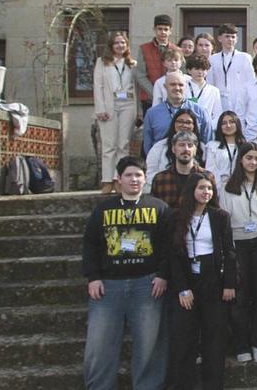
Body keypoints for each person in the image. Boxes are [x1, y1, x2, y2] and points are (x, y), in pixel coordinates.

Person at [82, 156, 171, 390]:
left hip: (148, 284)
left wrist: (162, 275)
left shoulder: (159, 208)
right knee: (99, 346)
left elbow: (168, 245)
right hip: (109, 286)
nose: (134, 180)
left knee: (149, 345)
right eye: (129, 175)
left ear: (145, 178)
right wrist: (93, 277)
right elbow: (90, 244)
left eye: (138, 175)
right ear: (119, 179)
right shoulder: (103, 209)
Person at [168, 171, 236, 390]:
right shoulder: (176, 217)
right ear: (191, 191)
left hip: (213, 280)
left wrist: (229, 283)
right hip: (187, 280)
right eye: (201, 188)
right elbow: (172, 256)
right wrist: (182, 288)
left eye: (209, 188)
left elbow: (229, 252)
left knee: (214, 340)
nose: (206, 192)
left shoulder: (220, 217)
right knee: (184, 339)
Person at [218, 142, 257, 364]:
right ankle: (242, 344)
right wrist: (229, 253)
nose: (253, 162)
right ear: (241, 160)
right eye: (249, 158)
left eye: (256, 158)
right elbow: (224, 221)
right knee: (240, 297)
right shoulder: (227, 187)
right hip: (238, 244)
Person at [95, 31, 139, 193]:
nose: (120, 46)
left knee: (123, 145)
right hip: (109, 104)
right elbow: (98, 86)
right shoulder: (102, 62)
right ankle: (107, 180)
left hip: (128, 104)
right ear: (111, 46)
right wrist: (100, 108)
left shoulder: (132, 63)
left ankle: (119, 179)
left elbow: (136, 87)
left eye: (123, 43)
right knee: (109, 145)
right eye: (117, 43)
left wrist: (139, 111)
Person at [142, 72, 213, 156]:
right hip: (161, 162)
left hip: (192, 161)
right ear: (165, 87)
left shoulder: (200, 112)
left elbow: (207, 141)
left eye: (181, 85)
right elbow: (147, 144)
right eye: (173, 84)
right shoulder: (152, 114)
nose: (177, 88)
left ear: (185, 86)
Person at [207, 23, 254, 114]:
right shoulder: (213, 59)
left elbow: (251, 82)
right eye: (227, 36)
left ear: (237, 39)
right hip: (219, 102)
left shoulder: (245, 58)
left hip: (240, 103)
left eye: (233, 37)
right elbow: (210, 83)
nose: (230, 39)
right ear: (220, 38)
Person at [149, 131, 203, 208]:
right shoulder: (160, 178)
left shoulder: (206, 177)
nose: (186, 149)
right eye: (181, 145)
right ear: (173, 149)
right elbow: (154, 209)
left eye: (190, 145)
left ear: (195, 150)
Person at [133, 15, 175, 107]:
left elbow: (180, 74)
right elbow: (140, 75)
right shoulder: (144, 49)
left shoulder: (176, 50)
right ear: (154, 30)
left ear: (170, 31)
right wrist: (155, 93)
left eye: (166, 29)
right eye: (160, 29)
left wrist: (170, 94)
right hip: (149, 98)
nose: (163, 32)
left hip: (172, 99)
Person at [207, 111, 246, 187]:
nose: (228, 125)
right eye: (224, 123)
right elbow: (210, 170)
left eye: (231, 122)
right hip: (218, 187)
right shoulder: (213, 146)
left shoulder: (245, 146)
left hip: (240, 187)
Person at [184, 53, 223, 125]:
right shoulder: (183, 87)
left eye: (203, 69)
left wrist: (209, 126)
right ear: (189, 70)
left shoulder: (214, 90)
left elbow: (217, 114)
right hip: (186, 126)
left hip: (206, 127)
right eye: (196, 69)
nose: (200, 72)